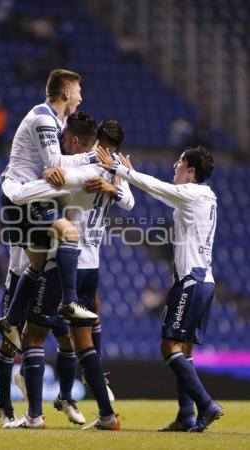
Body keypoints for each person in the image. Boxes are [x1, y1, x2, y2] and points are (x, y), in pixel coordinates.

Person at [3, 113, 134, 430]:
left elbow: (29, 192)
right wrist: (117, 181)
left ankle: (34, 417)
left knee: (32, 337)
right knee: (83, 343)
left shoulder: (83, 172)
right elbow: (128, 201)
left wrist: (11, 181)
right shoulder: (117, 174)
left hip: (66, 267)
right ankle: (105, 415)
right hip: (94, 267)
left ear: (95, 143)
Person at [97, 145, 223, 432]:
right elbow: (160, 191)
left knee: (169, 347)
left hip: (190, 281)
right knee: (184, 349)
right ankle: (186, 415)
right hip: (204, 281)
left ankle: (206, 404)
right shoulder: (204, 197)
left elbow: (157, 188)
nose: (175, 165)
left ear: (191, 171)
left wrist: (122, 171)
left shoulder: (193, 194)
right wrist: (129, 176)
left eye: (180, 162)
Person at [0, 69, 99, 352]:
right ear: (66, 92)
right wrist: (93, 156)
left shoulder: (58, 121)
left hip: (33, 197)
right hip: (21, 195)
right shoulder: (43, 117)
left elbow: (56, 161)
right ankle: (68, 302)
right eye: (79, 90)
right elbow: (55, 160)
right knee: (69, 227)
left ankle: (11, 321)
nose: (82, 96)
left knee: (38, 263)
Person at [0, 246, 85, 428]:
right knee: (10, 341)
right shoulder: (27, 218)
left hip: (50, 277)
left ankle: (64, 397)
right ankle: (4, 405)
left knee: (66, 336)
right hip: (20, 275)